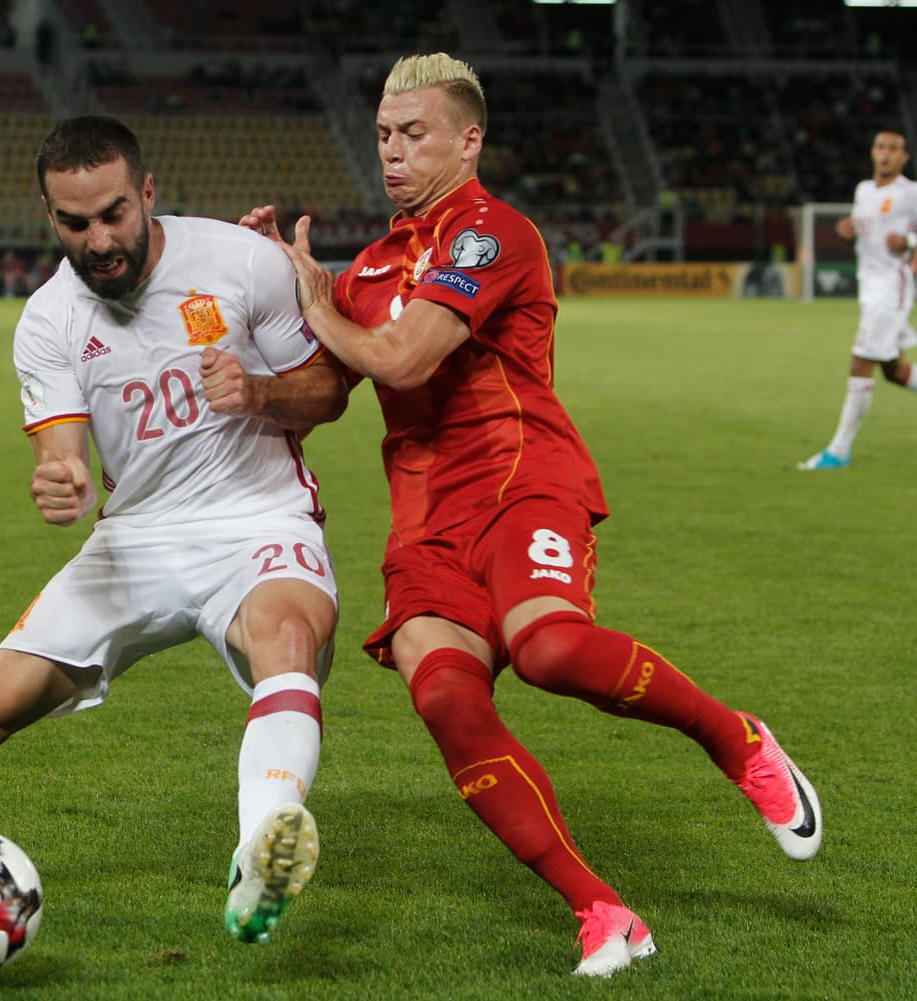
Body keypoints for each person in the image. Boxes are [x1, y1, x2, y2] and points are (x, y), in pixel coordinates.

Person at [242, 53, 823, 977]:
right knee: (445, 697)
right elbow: (329, 392)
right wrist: (256, 356)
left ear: (469, 138)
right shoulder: (373, 268)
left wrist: (316, 296)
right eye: (384, 135)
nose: (392, 152)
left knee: (549, 648)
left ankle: (736, 737)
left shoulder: (492, 233)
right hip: (422, 518)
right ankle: (602, 911)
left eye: (414, 133)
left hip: (521, 479)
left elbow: (402, 360)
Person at [0, 115, 347, 947]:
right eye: (75, 223)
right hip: (136, 538)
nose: (100, 240)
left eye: (115, 213)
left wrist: (262, 394)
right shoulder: (49, 318)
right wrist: (63, 476)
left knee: (286, 635)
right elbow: (62, 451)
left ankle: (260, 848)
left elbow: (330, 390)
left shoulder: (239, 262)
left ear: (147, 193)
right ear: (50, 216)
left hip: (255, 517)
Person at [798, 129, 917, 470]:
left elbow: (907, 238)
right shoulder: (863, 191)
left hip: (890, 291)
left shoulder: (910, 193)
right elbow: (869, 234)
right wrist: (847, 228)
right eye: (880, 146)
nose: (885, 154)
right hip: (870, 290)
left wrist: (909, 242)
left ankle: (838, 451)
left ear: (904, 158)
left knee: (860, 362)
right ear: (872, 152)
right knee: (894, 371)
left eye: (894, 149)